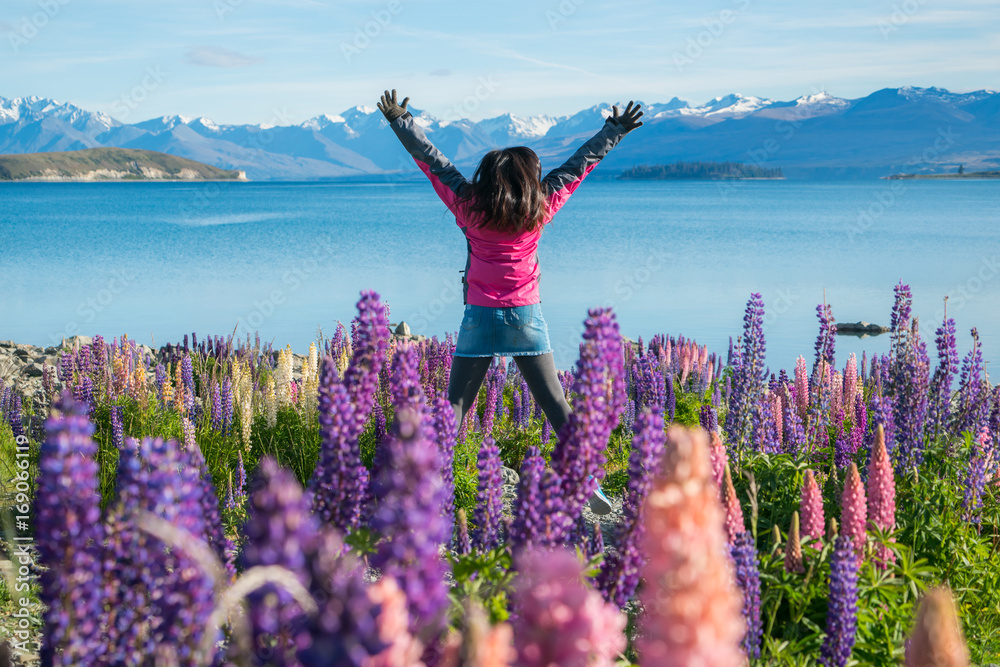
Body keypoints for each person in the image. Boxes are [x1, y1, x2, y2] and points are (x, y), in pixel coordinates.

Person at [378, 89, 643, 514]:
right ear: (527, 177)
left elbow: (433, 162)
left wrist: (400, 120)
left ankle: (424, 486)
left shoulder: (468, 206)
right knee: (556, 404)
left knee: (455, 408)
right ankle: (588, 480)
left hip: (478, 318)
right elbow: (580, 165)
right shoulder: (542, 206)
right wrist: (614, 130)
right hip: (526, 318)